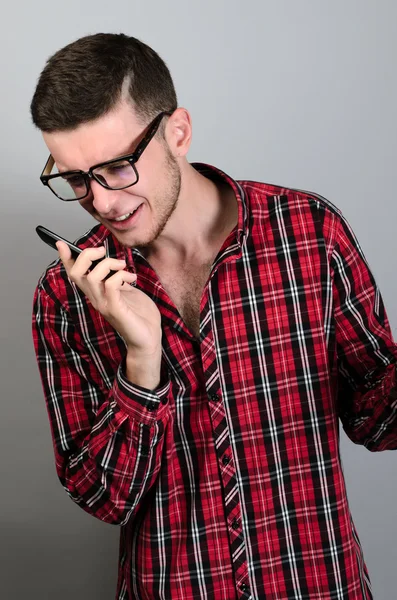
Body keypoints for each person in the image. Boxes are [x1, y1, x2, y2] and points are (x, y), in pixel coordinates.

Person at [31, 33, 397, 600]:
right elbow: (104, 497)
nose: (101, 202)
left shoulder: (309, 234)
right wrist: (142, 362)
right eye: (76, 178)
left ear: (177, 132)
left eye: (117, 167)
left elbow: (377, 418)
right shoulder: (65, 295)